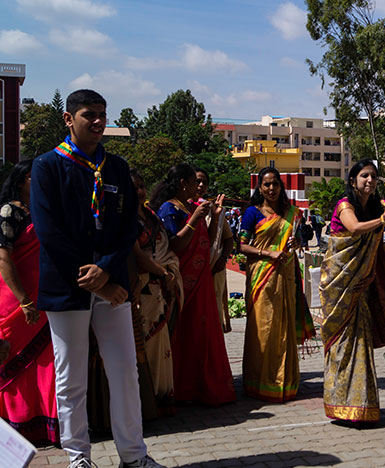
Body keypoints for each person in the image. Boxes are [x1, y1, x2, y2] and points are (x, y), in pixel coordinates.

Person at [29, 89, 164, 467]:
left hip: (113, 282)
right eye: (89, 114)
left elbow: (125, 228)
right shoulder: (47, 166)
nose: (99, 121)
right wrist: (95, 278)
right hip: (66, 284)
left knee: (124, 372)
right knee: (71, 378)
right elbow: (48, 230)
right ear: (68, 119)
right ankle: (78, 457)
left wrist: (105, 269)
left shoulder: (117, 167)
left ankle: (134, 456)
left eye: (103, 114)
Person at [319, 159, 385, 424]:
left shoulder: (377, 208)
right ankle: (339, 402)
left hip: (361, 285)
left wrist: (382, 219)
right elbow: (353, 228)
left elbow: (376, 244)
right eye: (364, 176)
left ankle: (361, 405)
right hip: (340, 285)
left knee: (361, 343)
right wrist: (380, 220)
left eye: (374, 177)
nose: (370, 181)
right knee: (342, 345)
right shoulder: (345, 205)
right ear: (353, 180)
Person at [151, 164, 235, 406]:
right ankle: (185, 389)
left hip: (202, 279)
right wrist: (195, 218)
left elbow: (205, 241)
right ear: (182, 184)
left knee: (205, 332)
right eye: (193, 181)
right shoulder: (169, 208)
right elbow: (175, 245)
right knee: (185, 334)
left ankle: (205, 386)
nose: (198, 186)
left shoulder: (189, 207)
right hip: (183, 284)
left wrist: (215, 217)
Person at [239, 168, 315, 402]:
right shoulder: (252, 213)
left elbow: (297, 242)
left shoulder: (291, 213)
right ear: (259, 188)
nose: (271, 189)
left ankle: (285, 382)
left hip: (286, 276)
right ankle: (259, 382)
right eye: (266, 185)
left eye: (275, 184)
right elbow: (241, 246)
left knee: (284, 329)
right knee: (262, 329)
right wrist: (267, 253)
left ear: (281, 187)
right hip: (262, 277)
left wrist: (297, 241)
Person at [0, 159, 58, 445]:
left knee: (45, 364)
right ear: (23, 180)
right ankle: (15, 427)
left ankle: (44, 426)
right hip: (16, 299)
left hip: (43, 296)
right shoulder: (9, 211)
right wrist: (24, 300)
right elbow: (3, 256)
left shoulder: (42, 211)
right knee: (16, 365)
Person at [130, 169, 179, 413]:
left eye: (141, 186)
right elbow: (136, 256)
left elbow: (165, 248)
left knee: (161, 343)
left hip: (159, 287)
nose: (139, 191)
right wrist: (162, 272)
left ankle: (161, 395)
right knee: (143, 344)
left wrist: (167, 273)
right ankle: (145, 401)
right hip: (140, 287)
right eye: (133, 187)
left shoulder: (151, 216)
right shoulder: (124, 219)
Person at [193, 168, 233, 333]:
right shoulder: (179, 209)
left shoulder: (212, 209)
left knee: (212, 319)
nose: (201, 185)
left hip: (214, 270)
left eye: (204, 182)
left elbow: (228, 238)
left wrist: (222, 259)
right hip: (191, 274)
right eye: (197, 181)